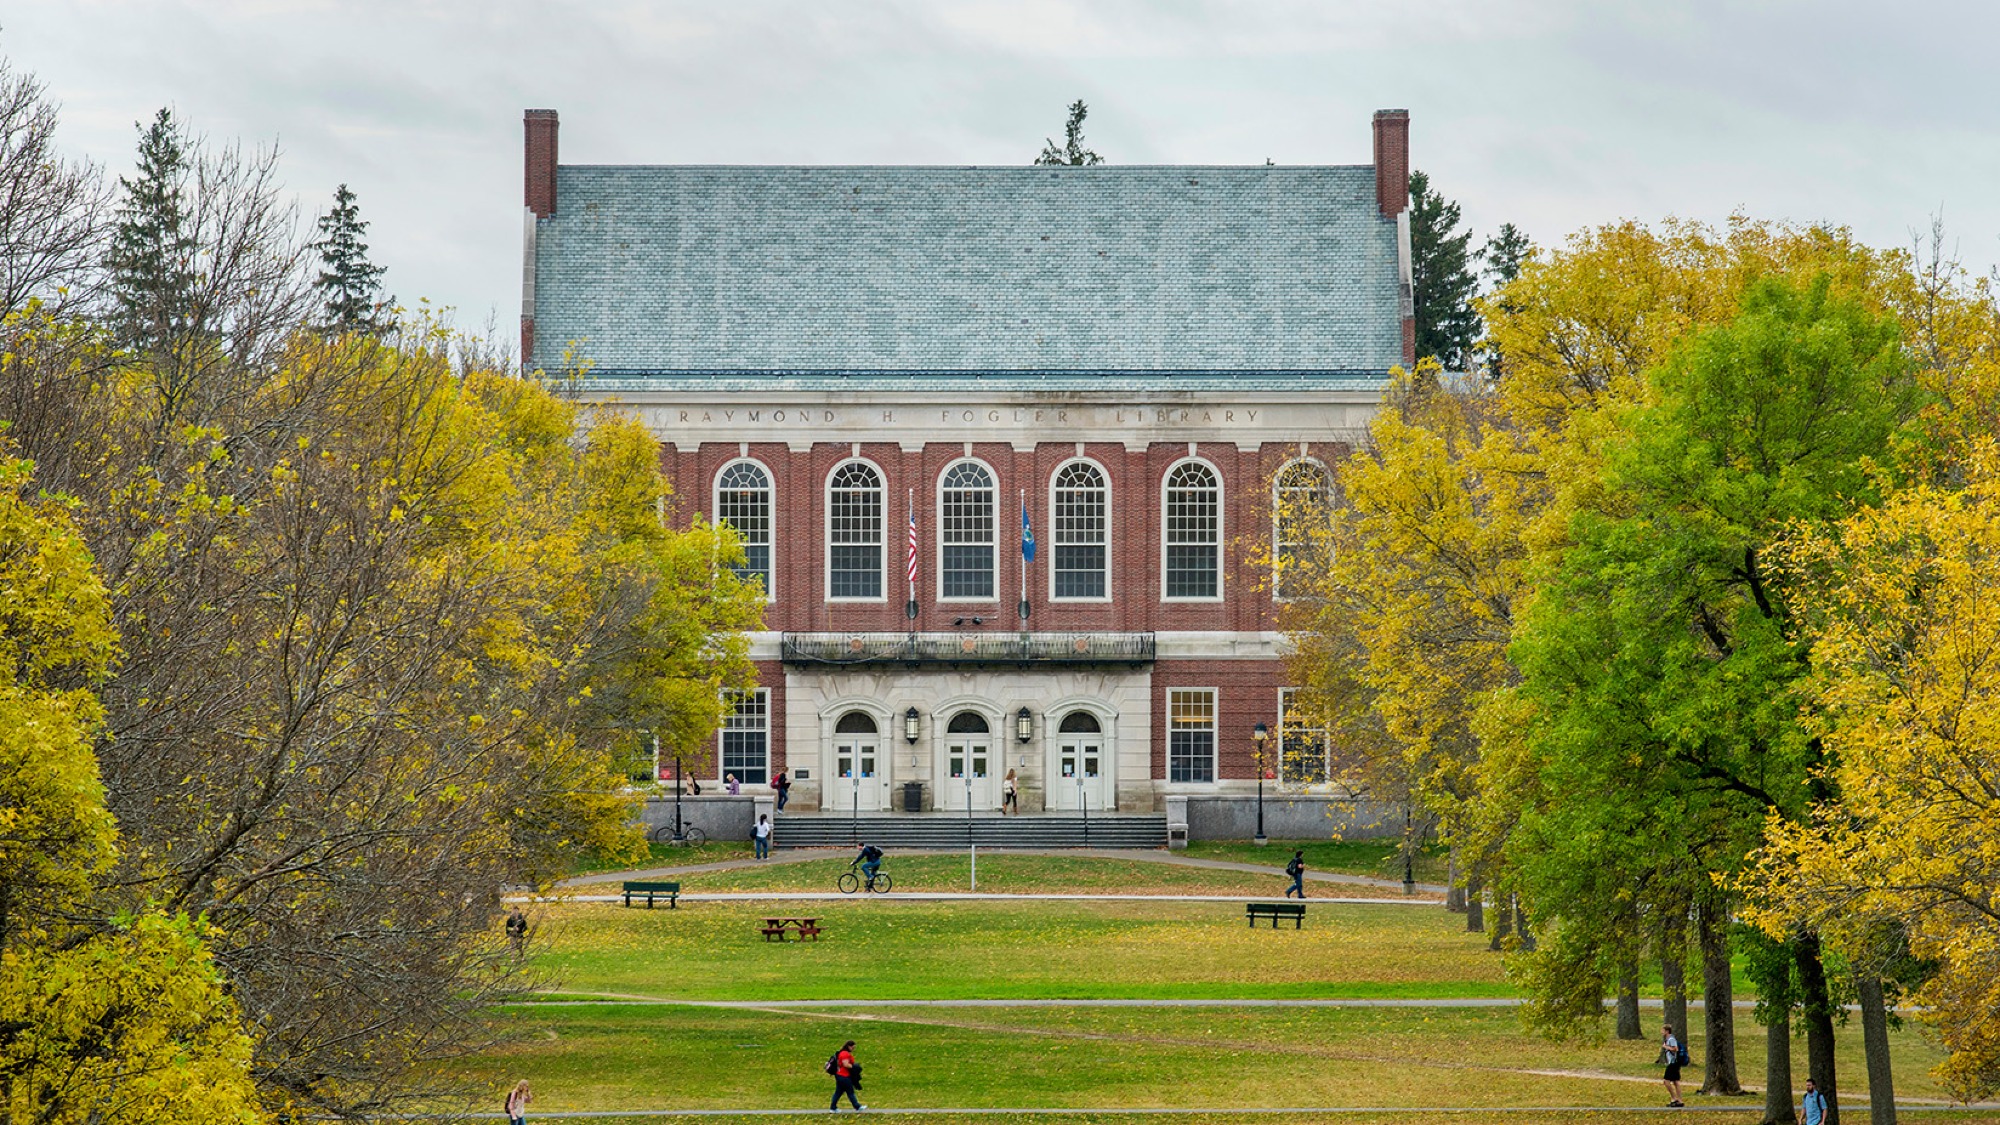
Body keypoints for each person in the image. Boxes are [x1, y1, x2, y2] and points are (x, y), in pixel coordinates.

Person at [828, 1039, 865, 1111]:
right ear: (848, 1046)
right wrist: (854, 1067)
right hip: (844, 1076)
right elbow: (845, 1064)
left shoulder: (841, 1053)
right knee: (850, 1091)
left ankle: (833, 1107)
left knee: (838, 1092)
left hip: (840, 1075)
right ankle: (857, 1107)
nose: (853, 1049)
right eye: (852, 1048)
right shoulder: (845, 1054)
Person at [1661, 1024, 1685, 1107]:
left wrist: (1666, 1047)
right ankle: (1680, 1101)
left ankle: (1674, 1098)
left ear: (1667, 1031)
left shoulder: (1671, 1039)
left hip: (1673, 1063)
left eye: (1663, 1030)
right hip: (1674, 1063)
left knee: (1666, 1081)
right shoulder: (1668, 1039)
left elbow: (1675, 1049)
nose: (1661, 1032)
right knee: (1676, 1082)